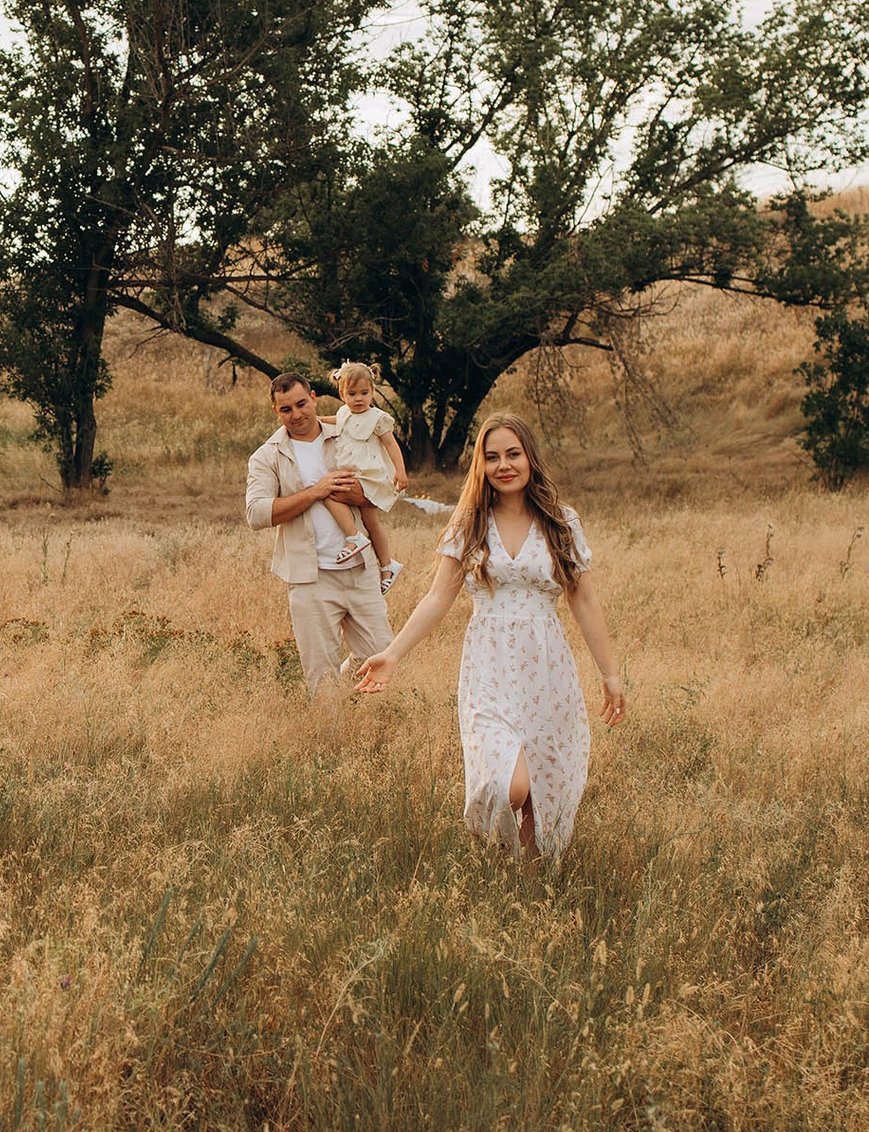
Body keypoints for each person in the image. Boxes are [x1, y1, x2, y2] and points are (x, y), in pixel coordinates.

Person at [351, 412, 627, 859]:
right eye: (492, 456)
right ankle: (492, 848)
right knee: (509, 785)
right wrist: (393, 654)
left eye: (513, 454)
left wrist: (610, 674)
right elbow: (438, 597)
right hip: (489, 666)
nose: (504, 465)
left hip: (547, 666)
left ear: (530, 458)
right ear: (481, 464)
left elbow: (585, 602)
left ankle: (526, 894)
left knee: (544, 792)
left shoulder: (561, 522)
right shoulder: (470, 523)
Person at [244, 370, 396, 695]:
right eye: (286, 409)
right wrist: (315, 492)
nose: (296, 414)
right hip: (310, 579)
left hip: (360, 571)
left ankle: (373, 730)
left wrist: (359, 495)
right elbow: (256, 513)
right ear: (276, 411)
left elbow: (384, 484)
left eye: (301, 404)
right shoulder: (268, 454)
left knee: (382, 660)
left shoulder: (347, 434)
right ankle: (330, 740)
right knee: (321, 677)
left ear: (314, 399)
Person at [318, 361, 410, 591]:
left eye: (364, 393)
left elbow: (391, 443)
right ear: (342, 394)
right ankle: (387, 565)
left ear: (373, 391)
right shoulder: (343, 413)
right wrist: (316, 420)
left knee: (329, 493)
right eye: (352, 394)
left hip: (369, 477)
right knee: (372, 522)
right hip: (357, 475)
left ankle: (354, 536)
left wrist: (400, 471)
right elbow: (337, 421)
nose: (358, 399)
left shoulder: (377, 418)